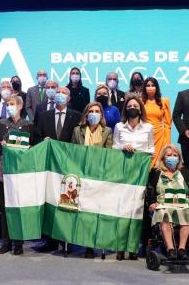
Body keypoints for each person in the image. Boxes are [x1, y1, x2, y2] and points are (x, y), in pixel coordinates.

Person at [32, 86, 82, 253]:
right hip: (49, 166)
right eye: (58, 92)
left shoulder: (76, 116)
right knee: (50, 200)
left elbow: (78, 140)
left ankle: (67, 239)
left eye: (64, 93)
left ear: (69, 98)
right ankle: (50, 240)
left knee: (67, 201)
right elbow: (36, 136)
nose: (60, 95)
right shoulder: (44, 115)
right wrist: (43, 140)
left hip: (69, 166)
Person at [112, 94, 154, 261]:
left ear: (140, 109)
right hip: (123, 172)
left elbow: (152, 150)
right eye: (129, 105)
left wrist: (139, 154)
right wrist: (123, 146)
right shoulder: (119, 126)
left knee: (138, 210)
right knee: (122, 210)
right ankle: (120, 247)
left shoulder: (148, 127)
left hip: (141, 173)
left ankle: (134, 247)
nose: (132, 108)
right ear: (125, 109)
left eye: (135, 105)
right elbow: (114, 147)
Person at [0, 94, 31, 256]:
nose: (9, 107)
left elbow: (33, 146)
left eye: (12, 104)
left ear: (20, 106)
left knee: (18, 206)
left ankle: (18, 242)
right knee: (5, 207)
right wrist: (1, 144)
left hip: (21, 170)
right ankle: (6, 241)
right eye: (7, 104)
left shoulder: (28, 125)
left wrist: (29, 147)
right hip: (2, 169)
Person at [71, 101, 114, 259]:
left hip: (99, 177)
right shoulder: (77, 130)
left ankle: (93, 243)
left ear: (101, 115)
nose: (94, 114)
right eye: (91, 111)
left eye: (97, 111)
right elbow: (72, 152)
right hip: (81, 175)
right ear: (86, 114)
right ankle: (84, 242)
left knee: (95, 211)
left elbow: (109, 155)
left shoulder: (107, 131)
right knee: (83, 211)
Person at [147, 144, 189, 261]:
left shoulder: (184, 172)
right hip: (163, 204)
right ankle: (170, 249)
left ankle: (181, 249)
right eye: (169, 155)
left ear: (179, 158)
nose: (172, 157)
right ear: (163, 157)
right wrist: (152, 203)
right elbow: (150, 190)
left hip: (182, 203)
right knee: (164, 212)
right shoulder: (156, 172)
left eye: (175, 155)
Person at [142, 77, 171, 168]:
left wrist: (167, 142)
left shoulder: (164, 101)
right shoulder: (140, 102)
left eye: (153, 85)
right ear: (144, 88)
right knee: (146, 164)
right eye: (148, 85)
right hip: (145, 136)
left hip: (160, 136)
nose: (150, 87)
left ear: (157, 87)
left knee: (159, 165)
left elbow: (168, 123)